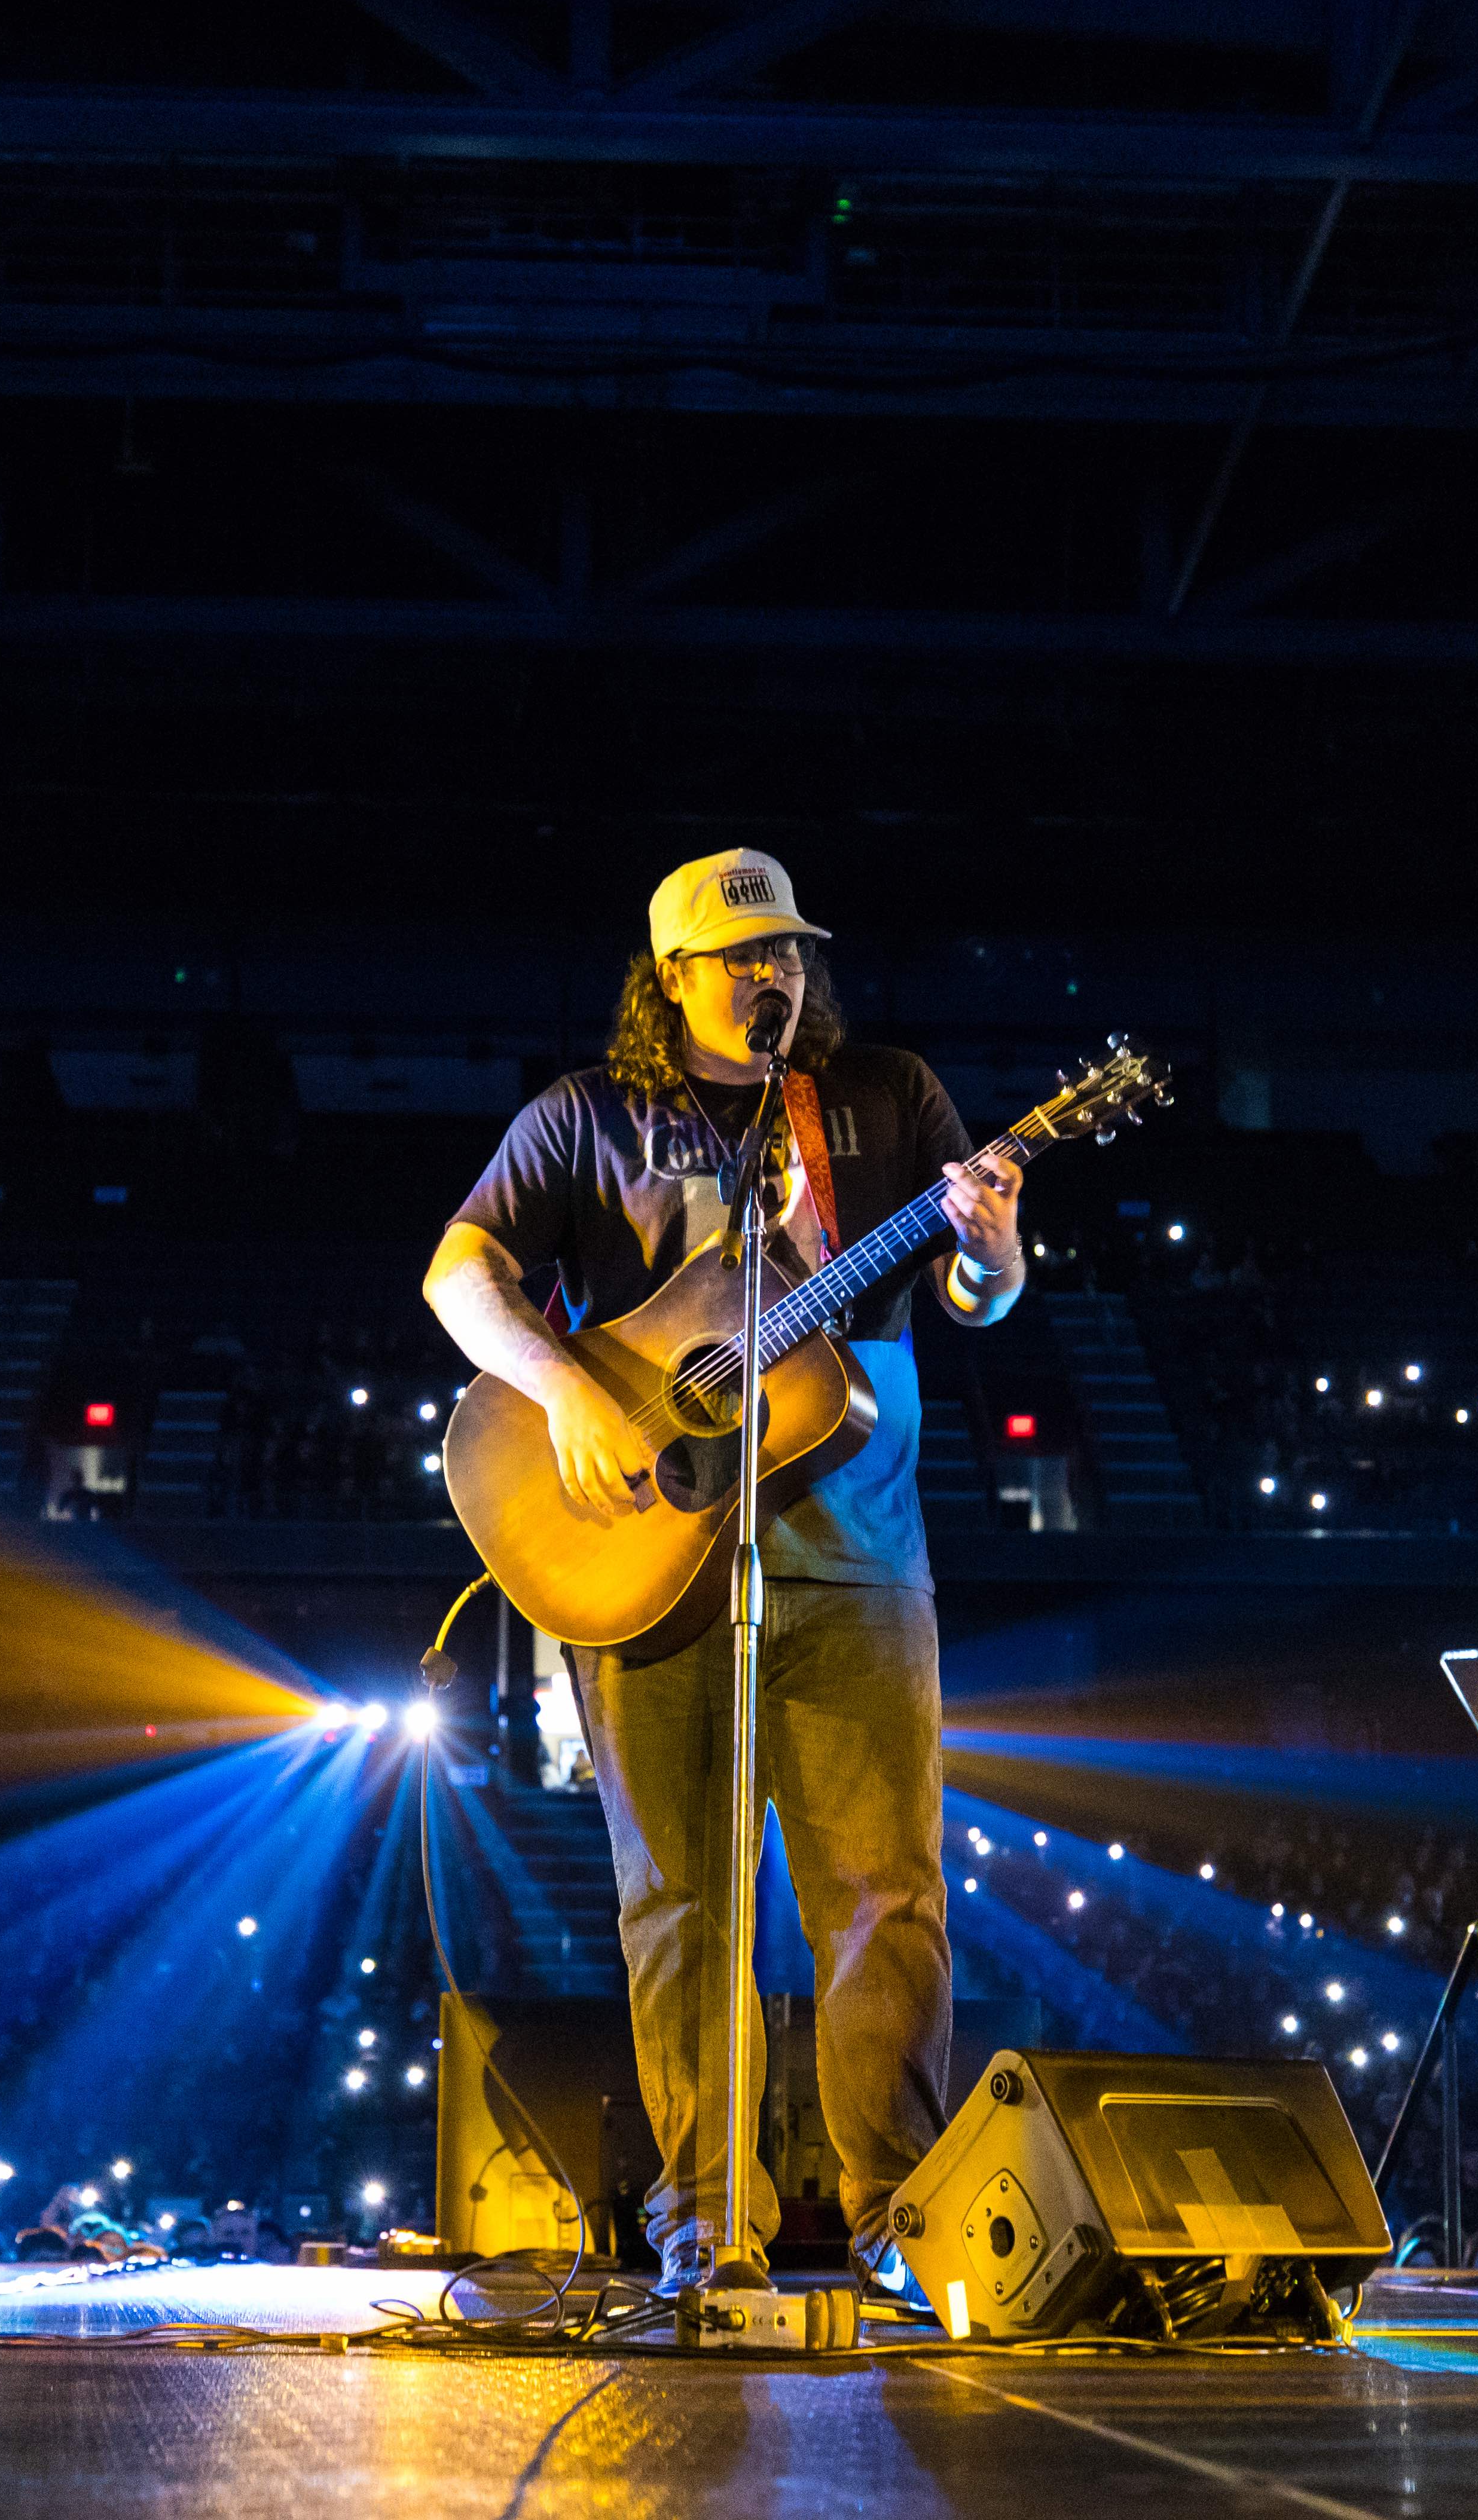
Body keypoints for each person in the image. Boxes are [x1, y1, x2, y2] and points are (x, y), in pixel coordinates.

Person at [422, 849, 1026, 2300]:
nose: (780, 976)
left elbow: (975, 1296)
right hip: (649, 1558)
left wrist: (991, 1254)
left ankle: (898, 2225)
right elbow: (462, 1274)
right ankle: (711, 2226)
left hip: (863, 1559)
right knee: (682, 1903)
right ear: (673, 977)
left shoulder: (886, 1098)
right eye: (747, 955)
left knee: (887, 1896)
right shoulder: (587, 1116)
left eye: (794, 951)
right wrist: (567, 1391)